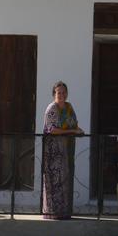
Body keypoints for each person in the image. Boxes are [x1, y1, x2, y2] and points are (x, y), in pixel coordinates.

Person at [41, 81, 83, 220]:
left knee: (66, 179)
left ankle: (65, 212)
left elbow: (74, 123)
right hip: (54, 151)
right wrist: (72, 131)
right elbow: (51, 129)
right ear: (54, 94)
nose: (62, 95)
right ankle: (53, 213)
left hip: (67, 149)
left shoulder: (69, 107)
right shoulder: (52, 108)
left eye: (64, 92)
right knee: (55, 181)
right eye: (59, 92)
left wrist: (78, 130)